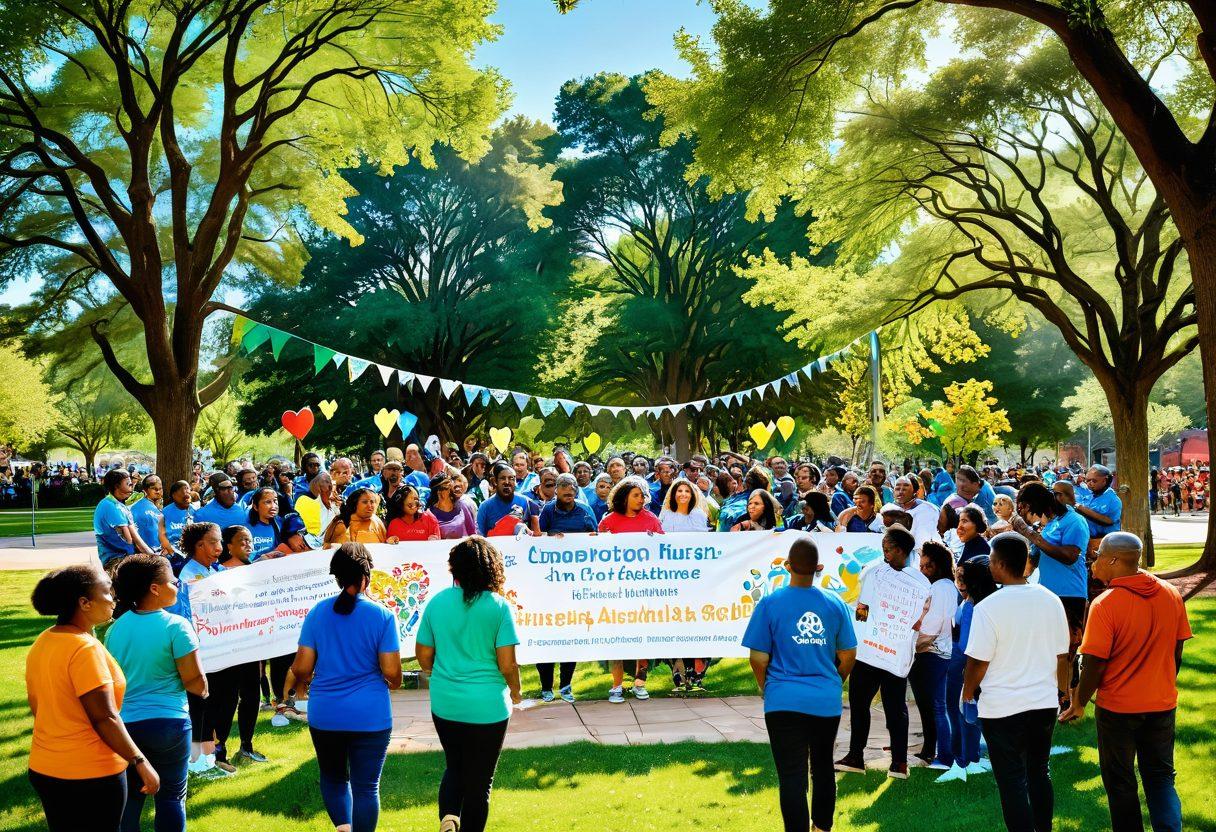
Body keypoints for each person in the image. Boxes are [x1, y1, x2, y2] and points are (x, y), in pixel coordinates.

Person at [1059, 532, 1192, 832]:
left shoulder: (1106, 604)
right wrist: (1163, 683)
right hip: (1161, 703)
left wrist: (1079, 702)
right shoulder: (1170, 594)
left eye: (1098, 556)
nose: (1092, 562)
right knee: (1160, 777)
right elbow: (1177, 651)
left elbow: (1095, 662)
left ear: (1115, 560)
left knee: (1120, 783)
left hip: (1118, 709)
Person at [26, 564, 159, 829]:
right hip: (90, 774)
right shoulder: (84, 648)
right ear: (84, 602)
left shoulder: (45, 640)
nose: (114, 598)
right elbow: (105, 717)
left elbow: (38, 705)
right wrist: (140, 762)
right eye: (107, 592)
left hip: (45, 766)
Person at [743, 538, 857, 832]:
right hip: (825, 701)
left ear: (788, 565)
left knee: (791, 776)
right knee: (822, 768)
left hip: (783, 700)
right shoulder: (835, 604)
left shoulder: (770, 603)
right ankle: (822, 828)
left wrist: (764, 686)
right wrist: (834, 682)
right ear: (819, 568)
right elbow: (848, 655)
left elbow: (758, 657)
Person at [963, 532, 1071, 832]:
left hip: (1001, 707)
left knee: (1011, 780)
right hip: (1043, 702)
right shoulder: (1051, 600)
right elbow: (1063, 656)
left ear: (996, 565)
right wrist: (1062, 692)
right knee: (1038, 772)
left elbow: (977, 662)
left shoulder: (988, 608)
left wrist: (967, 692)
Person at [291, 543, 402, 832]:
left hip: (326, 713)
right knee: (366, 787)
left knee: (333, 778)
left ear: (337, 577)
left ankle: (343, 827)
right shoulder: (382, 615)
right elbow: (392, 673)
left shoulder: (317, 613)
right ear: (366, 577)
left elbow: (301, 669)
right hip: (370, 714)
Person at [416, 537, 521, 832]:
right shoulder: (499, 607)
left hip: (446, 701)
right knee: (480, 781)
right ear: (492, 568)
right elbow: (507, 665)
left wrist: (439, 671)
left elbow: (423, 655)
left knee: (455, 766)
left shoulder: (438, 602)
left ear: (455, 569)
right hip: (488, 706)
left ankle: (449, 817)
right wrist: (515, 690)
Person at [105, 554, 207, 831]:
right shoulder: (177, 626)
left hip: (125, 728)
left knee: (131, 801)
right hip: (169, 724)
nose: (177, 585)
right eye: (172, 581)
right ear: (154, 588)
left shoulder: (115, 630)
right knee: (171, 797)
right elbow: (195, 682)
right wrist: (206, 689)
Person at [836, 526, 930, 779]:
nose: (884, 553)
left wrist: (863, 628)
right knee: (892, 706)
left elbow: (862, 609)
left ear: (900, 550)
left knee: (865, 704)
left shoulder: (876, 574)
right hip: (894, 653)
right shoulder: (921, 582)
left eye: (887, 549)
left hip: (871, 651)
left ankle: (860, 756)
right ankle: (897, 763)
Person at [1012, 481, 1089, 675]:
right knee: (1049, 653)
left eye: (1025, 506)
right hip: (1047, 593)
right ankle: (1055, 698)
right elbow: (1037, 556)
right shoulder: (1051, 523)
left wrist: (1029, 534)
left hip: (1069, 594)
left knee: (1067, 652)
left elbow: (1070, 557)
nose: (1025, 511)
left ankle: (1070, 701)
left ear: (1036, 502)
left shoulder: (1074, 521)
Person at [206, 526, 269, 768]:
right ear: (228, 546)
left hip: (252, 644)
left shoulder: (254, 571)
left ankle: (247, 745)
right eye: (242, 541)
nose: (249, 545)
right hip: (230, 648)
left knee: (252, 695)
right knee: (228, 698)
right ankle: (219, 749)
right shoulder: (219, 574)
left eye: (250, 541)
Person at [937, 555, 999, 783]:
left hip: (963, 665)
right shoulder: (980, 602)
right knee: (969, 714)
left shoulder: (973, 606)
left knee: (961, 713)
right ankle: (970, 757)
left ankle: (962, 760)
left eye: (962, 578)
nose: (959, 582)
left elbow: (966, 645)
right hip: (969, 665)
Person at [909, 540, 958, 771]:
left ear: (938, 566)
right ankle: (932, 750)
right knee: (932, 707)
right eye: (921, 565)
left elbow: (931, 630)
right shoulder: (945, 586)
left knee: (937, 707)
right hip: (934, 653)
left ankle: (944, 756)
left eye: (927, 566)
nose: (922, 570)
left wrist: (910, 648)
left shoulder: (941, 588)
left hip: (932, 654)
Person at [94, 469, 154, 567]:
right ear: (117, 486)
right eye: (128, 484)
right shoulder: (111, 507)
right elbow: (132, 539)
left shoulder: (118, 504)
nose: (131, 489)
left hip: (124, 559)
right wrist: (153, 555)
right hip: (116, 561)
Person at [476, 461, 540, 537]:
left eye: (511, 478)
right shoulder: (485, 507)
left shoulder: (527, 503)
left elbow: (537, 535)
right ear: (494, 481)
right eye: (503, 478)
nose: (507, 482)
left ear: (515, 481)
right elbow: (480, 537)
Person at [324, 488, 389, 547]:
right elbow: (327, 547)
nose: (370, 506)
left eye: (372, 502)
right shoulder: (342, 525)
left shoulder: (376, 520)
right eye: (365, 502)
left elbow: (384, 544)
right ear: (355, 505)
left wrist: (390, 541)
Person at [599, 476, 664, 534]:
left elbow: (661, 542)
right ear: (624, 498)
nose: (640, 500)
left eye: (642, 496)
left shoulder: (652, 520)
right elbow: (601, 544)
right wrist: (593, 539)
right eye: (636, 495)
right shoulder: (608, 521)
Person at [889, 475, 941, 548]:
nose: (900, 492)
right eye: (897, 488)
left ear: (915, 492)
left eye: (904, 489)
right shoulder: (890, 509)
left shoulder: (928, 510)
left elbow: (926, 540)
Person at [131, 476, 174, 556]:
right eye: (154, 488)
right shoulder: (139, 509)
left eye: (160, 488)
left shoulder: (156, 509)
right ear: (145, 491)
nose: (158, 491)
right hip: (147, 555)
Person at [428, 472, 477, 539]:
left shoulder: (463, 506)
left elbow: (472, 533)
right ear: (438, 492)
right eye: (446, 487)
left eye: (451, 485)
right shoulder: (430, 514)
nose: (451, 489)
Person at [296, 472, 341, 539]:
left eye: (335, 489)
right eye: (330, 489)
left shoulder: (335, 504)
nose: (334, 493)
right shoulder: (305, 502)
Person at [243, 486, 284, 559]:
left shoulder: (283, 524)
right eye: (268, 502)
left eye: (275, 501)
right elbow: (246, 557)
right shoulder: (246, 530)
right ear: (255, 507)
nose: (273, 506)